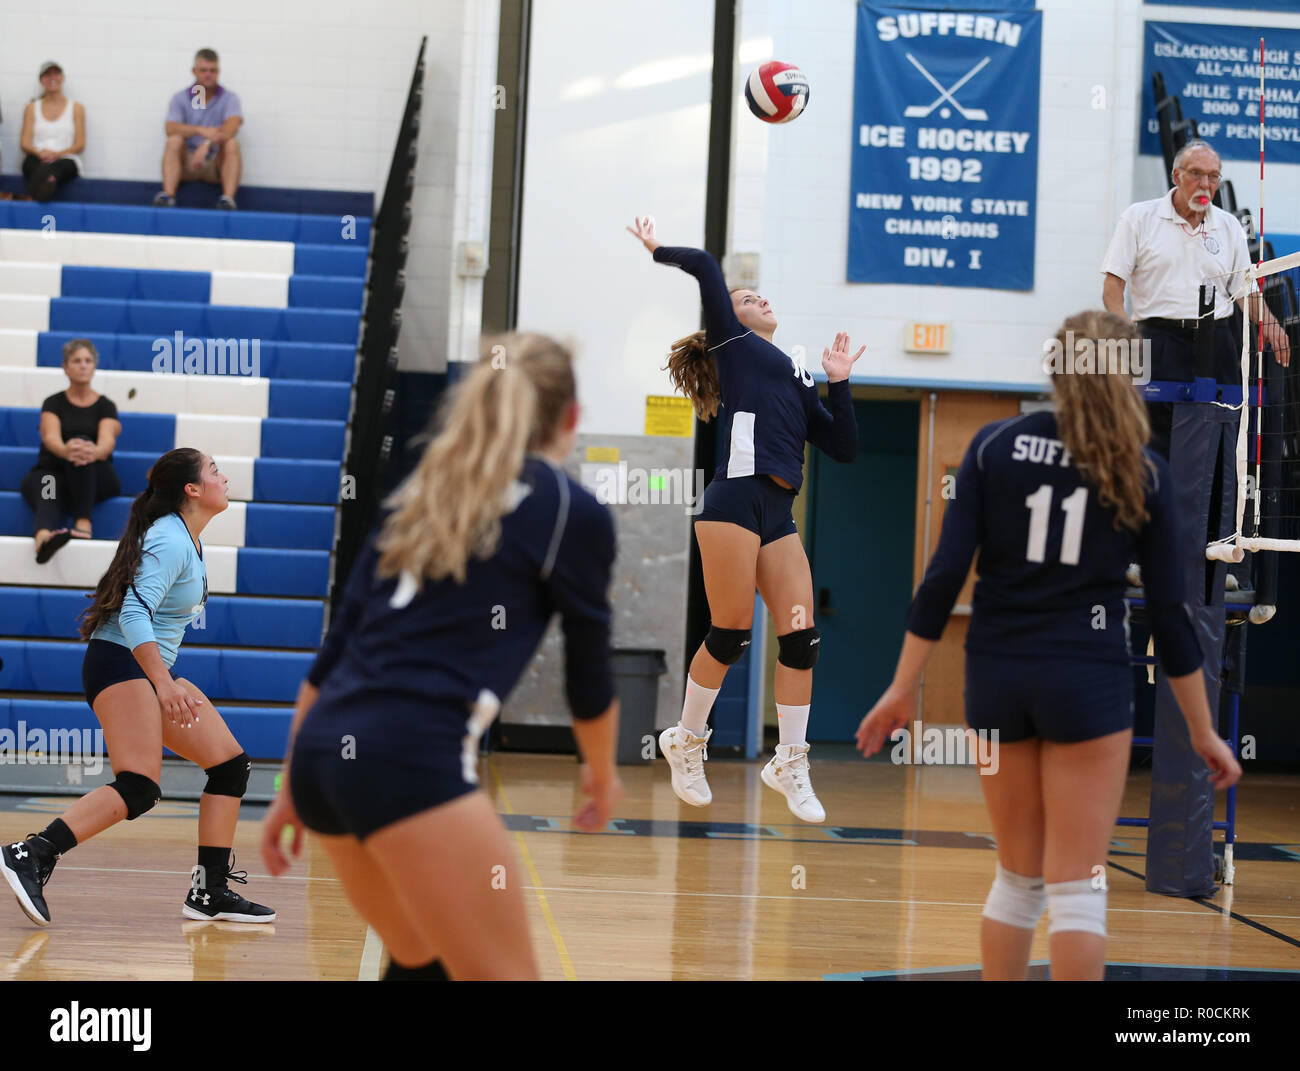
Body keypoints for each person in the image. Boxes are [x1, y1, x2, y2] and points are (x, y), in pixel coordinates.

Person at [856, 310, 1242, 981]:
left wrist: (900, 687)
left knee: (1017, 878)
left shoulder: (992, 445)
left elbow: (944, 576)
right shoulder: (1142, 471)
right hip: (1086, 679)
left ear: (1057, 367)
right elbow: (1173, 617)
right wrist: (1204, 730)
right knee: (1077, 887)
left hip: (997, 674)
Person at [259, 333, 623, 981]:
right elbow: (589, 676)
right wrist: (602, 770)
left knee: (421, 956)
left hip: (324, 757)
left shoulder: (419, 494)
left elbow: (333, 653)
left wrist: (291, 784)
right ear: (570, 417)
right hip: (411, 760)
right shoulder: (572, 510)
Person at [628, 216, 862, 823]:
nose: (757, 298)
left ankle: (790, 760)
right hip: (732, 501)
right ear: (727, 320)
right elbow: (706, 265)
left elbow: (843, 448)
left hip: (778, 510)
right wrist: (659, 251)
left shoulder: (796, 372)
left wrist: (839, 384)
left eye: (761, 295)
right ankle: (686, 739)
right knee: (730, 631)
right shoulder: (732, 345)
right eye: (744, 297)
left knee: (802, 636)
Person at [1, 449, 275, 927]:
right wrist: (164, 684)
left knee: (230, 766)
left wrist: (162, 680)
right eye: (214, 471)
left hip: (142, 669)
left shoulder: (184, 537)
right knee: (140, 786)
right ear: (192, 490)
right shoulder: (170, 538)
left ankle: (209, 892)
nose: (223, 477)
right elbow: (132, 614)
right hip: (121, 664)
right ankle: (32, 853)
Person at [1101, 139, 1290, 460]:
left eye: (1214, 176)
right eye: (1197, 174)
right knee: (1151, 437)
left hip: (1216, 341)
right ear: (1176, 175)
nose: (1206, 184)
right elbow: (1112, 288)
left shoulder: (1229, 226)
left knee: (1217, 437)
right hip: (1157, 339)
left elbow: (1245, 292)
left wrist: (1272, 326)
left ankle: (1214, 510)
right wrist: (1124, 333)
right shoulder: (1139, 218)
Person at [20, 339, 121, 564]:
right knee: (49, 486)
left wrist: (88, 451)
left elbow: (106, 444)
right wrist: (67, 450)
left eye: (88, 361)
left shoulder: (106, 406)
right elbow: (50, 438)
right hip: (54, 473)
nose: (83, 365)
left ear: (94, 367)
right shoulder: (53, 403)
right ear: (66, 367)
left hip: (95, 477)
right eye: (76, 361)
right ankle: (44, 538)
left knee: (82, 445)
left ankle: (83, 522)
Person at [155, 49, 243, 210]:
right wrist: (199, 130)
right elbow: (170, 128)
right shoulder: (180, 98)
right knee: (174, 140)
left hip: (214, 163)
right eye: (203, 70)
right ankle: (168, 196)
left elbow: (231, 127)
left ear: (218, 72)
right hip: (187, 162)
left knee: (231, 143)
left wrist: (206, 144)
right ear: (194, 71)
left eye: (213, 70)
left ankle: (227, 200)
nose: (208, 74)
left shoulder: (230, 99)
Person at [19, 61, 85, 202]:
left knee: (57, 168)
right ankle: (47, 182)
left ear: (62, 78)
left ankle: (30, 197)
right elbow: (24, 143)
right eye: (47, 74)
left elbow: (80, 145)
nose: (52, 78)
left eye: (56, 73)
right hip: (38, 157)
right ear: (41, 80)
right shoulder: (31, 107)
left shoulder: (76, 108)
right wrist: (40, 153)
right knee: (32, 165)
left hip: (65, 158)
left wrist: (57, 154)